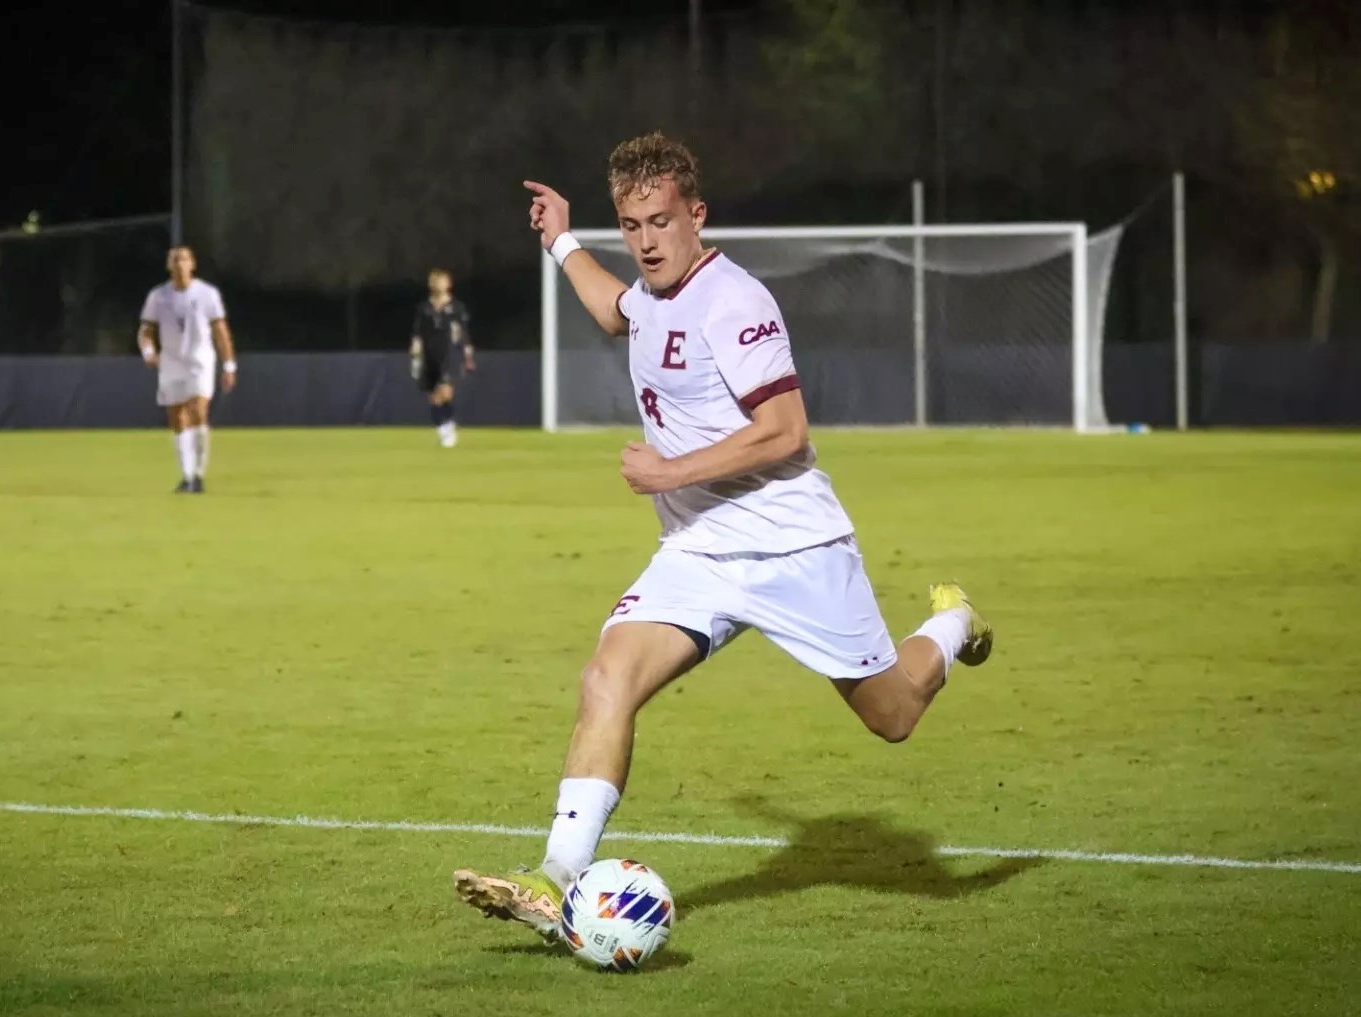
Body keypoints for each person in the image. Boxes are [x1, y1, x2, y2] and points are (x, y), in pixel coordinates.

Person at [452, 133, 994, 938]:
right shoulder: (650, 293)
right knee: (607, 678)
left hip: (792, 545)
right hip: (699, 550)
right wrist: (563, 237)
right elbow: (613, 309)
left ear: (695, 215)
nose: (645, 241)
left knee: (894, 715)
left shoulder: (735, 301)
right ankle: (554, 878)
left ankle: (952, 622)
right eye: (631, 225)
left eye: (661, 222)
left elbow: (785, 431)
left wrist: (669, 473)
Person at [139, 246, 236, 493]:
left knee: (198, 411)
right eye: (174, 260)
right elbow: (146, 331)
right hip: (171, 364)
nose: (179, 264)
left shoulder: (207, 294)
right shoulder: (158, 296)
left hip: (200, 362)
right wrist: (149, 352)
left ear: (192, 264)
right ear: (168, 266)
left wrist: (229, 364)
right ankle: (187, 475)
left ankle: (199, 475)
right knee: (176, 418)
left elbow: (220, 331)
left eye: (183, 259)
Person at [409, 269, 475, 447]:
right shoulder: (424, 309)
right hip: (430, 355)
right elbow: (417, 333)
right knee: (434, 398)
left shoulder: (456, 308)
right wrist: (415, 354)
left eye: (441, 281)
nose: (438, 284)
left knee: (445, 392)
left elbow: (464, 333)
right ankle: (444, 427)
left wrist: (467, 353)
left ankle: (447, 429)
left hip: (449, 354)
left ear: (448, 284)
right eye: (435, 281)